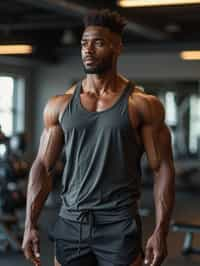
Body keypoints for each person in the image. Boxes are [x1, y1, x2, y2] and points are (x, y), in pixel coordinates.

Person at [22, 9, 175, 266]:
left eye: (98, 43)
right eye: (84, 43)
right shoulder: (60, 105)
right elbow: (42, 166)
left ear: (117, 47)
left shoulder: (142, 105)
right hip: (71, 222)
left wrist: (161, 231)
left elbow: (162, 169)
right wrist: (30, 224)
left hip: (118, 225)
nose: (88, 50)